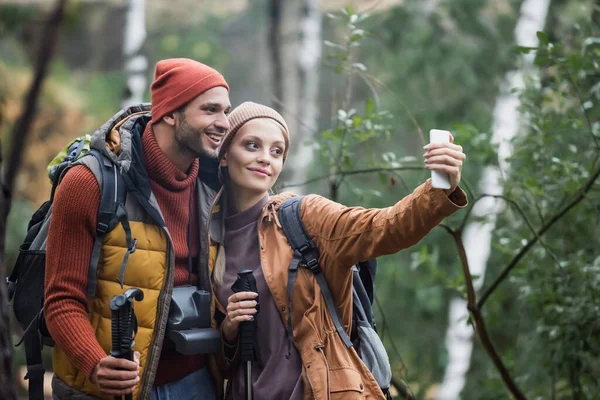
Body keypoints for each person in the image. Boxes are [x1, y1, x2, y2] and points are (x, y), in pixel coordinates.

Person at [210, 102, 468, 399]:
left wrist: (440, 187)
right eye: (252, 145)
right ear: (226, 155)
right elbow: (218, 364)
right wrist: (229, 329)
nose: (265, 158)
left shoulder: (303, 217)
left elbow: (384, 227)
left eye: (276, 151)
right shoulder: (210, 243)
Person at [44, 58, 231, 399]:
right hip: (105, 388)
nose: (224, 123)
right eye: (211, 110)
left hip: (197, 383)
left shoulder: (216, 185)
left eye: (226, 112)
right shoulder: (90, 182)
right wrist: (96, 364)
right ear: (171, 113)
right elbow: (60, 299)